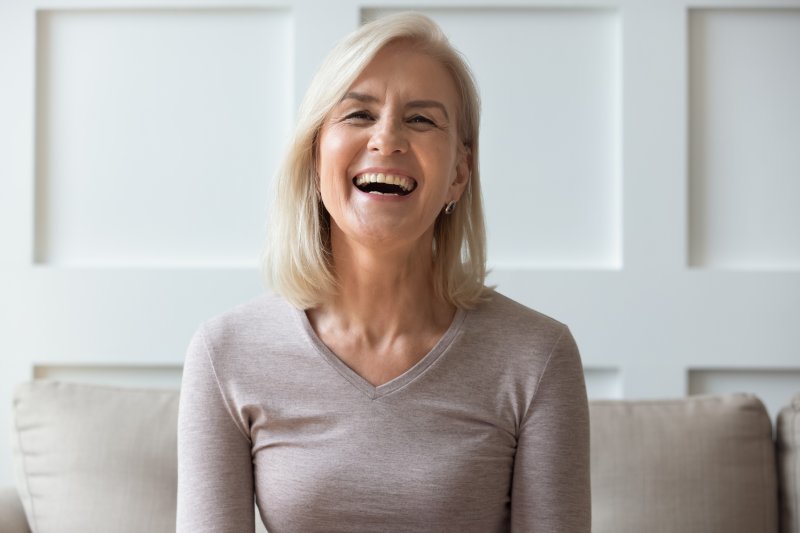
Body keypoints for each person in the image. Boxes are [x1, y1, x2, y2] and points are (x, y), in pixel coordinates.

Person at [177, 12, 590, 533]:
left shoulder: (537, 355)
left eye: (421, 120)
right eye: (358, 114)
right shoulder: (225, 352)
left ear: (460, 172)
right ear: (314, 153)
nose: (387, 139)